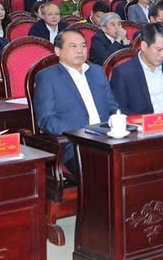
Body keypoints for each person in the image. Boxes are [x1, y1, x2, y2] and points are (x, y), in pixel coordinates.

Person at [33, 29, 118, 176]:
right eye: (73, 46)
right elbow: (46, 120)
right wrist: (80, 133)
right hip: (76, 145)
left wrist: (118, 124)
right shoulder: (47, 77)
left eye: (83, 45)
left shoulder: (97, 72)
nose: (80, 50)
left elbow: (112, 108)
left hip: (108, 138)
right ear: (58, 51)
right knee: (105, 171)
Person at [110, 23, 163, 115]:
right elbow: (120, 109)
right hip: (143, 122)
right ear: (144, 46)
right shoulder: (124, 72)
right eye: (159, 50)